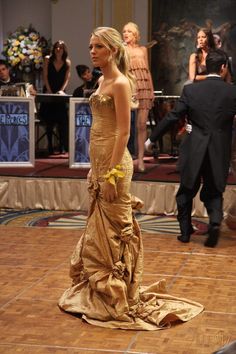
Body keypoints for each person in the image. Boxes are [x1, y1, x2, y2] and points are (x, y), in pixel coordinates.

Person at [58, 26, 203, 330]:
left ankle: (120, 293)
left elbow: (123, 132)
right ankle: (102, 289)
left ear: (111, 49)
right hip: (98, 164)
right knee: (99, 229)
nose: (92, 52)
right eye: (90, 46)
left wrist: (110, 173)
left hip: (115, 167)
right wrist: (95, 168)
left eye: (98, 46)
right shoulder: (100, 80)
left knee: (116, 230)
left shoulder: (122, 83)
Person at [145, 49, 236, 248]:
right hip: (219, 150)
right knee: (213, 192)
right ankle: (214, 223)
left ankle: (185, 233)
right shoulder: (232, 91)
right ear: (223, 68)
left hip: (194, 147)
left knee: (186, 191)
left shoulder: (191, 90)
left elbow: (172, 116)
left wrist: (152, 138)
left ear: (205, 67)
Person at [122, 22, 154, 172]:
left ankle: (141, 160)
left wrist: (151, 89)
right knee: (125, 126)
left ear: (135, 34)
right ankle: (125, 158)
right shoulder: (121, 49)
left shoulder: (143, 49)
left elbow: (147, 70)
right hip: (129, 88)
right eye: (124, 31)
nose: (125, 33)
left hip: (144, 88)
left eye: (129, 31)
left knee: (141, 125)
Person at [39, 40, 71, 155]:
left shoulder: (67, 62)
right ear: (54, 49)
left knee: (62, 121)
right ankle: (50, 147)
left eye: (61, 47)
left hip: (60, 92)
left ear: (64, 50)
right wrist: (49, 90)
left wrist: (61, 90)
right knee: (49, 121)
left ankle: (62, 146)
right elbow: (45, 76)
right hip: (48, 90)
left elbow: (67, 78)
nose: (58, 49)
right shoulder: (48, 59)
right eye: (56, 47)